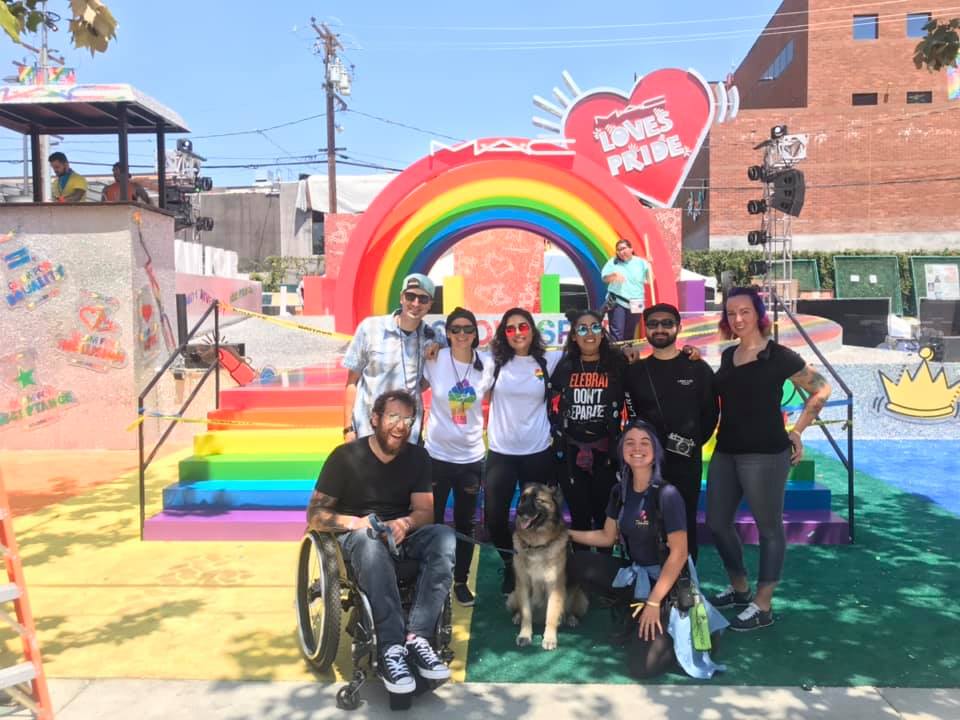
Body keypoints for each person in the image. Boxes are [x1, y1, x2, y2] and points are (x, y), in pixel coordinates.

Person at [306, 389, 456, 694]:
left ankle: (418, 638)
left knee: (444, 536)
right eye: (392, 417)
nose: (400, 425)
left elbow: (425, 512)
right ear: (375, 418)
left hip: (404, 536)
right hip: (359, 538)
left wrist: (406, 522)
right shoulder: (345, 457)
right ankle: (390, 649)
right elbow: (315, 514)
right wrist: (355, 523)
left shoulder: (418, 457)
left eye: (407, 418)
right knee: (369, 543)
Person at [706, 286, 832, 631]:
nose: (737, 319)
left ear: (758, 314)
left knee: (768, 529)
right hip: (726, 450)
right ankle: (741, 589)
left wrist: (798, 431)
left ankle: (763, 605)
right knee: (717, 523)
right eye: (731, 313)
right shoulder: (728, 356)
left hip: (766, 453)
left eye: (744, 311)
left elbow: (821, 388)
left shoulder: (780, 356)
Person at [569, 420, 727, 679]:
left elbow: (678, 554)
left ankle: (704, 629)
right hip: (636, 574)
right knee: (576, 563)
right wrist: (565, 534)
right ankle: (634, 610)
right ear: (621, 450)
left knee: (642, 668)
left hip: (670, 586)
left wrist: (654, 602)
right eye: (629, 442)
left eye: (645, 443)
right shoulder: (619, 491)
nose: (637, 448)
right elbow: (607, 537)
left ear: (655, 451)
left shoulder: (667, 494)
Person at [625, 303, 718, 562]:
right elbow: (630, 414)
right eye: (653, 324)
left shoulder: (697, 368)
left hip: (685, 462)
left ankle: (686, 582)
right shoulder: (634, 371)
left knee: (684, 520)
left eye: (667, 323)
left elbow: (710, 414)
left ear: (678, 327)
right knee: (646, 521)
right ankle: (648, 580)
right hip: (646, 463)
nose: (660, 328)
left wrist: (691, 444)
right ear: (646, 329)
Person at [485, 307, 565, 595]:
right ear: (503, 334)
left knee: (540, 515)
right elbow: (458, 356)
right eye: (510, 328)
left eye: (523, 326)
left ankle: (537, 568)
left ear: (532, 330)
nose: (517, 333)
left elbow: (591, 353)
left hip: (538, 452)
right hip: (500, 452)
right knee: (494, 517)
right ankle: (511, 563)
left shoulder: (549, 359)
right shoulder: (492, 361)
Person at [422, 307, 494, 607]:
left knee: (465, 524)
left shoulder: (487, 364)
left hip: (471, 458)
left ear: (475, 333)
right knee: (431, 521)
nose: (462, 335)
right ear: (447, 332)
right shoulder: (435, 359)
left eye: (467, 329)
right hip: (436, 455)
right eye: (455, 330)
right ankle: (429, 577)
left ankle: (460, 581)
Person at [550, 309, 625, 548]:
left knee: (604, 517)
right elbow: (549, 405)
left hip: (606, 454)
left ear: (602, 333)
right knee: (579, 517)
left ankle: (604, 575)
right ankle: (582, 575)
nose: (589, 333)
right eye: (582, 328)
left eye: (595, 327)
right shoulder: (565, 367)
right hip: (570, 455)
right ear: (573, 336)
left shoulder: (618, 364)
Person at [343, 273, 441, 444]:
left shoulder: (431, 337)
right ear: (402, 298)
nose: (416, 303)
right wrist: (348, 428)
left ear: (430, 304)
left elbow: (461, 340)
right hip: (369, 429)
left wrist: (436, 354)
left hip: (407, 433)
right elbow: (352, 382)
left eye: (423, 299)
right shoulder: (370, 328)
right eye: (410, 296)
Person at [601, 238, 651, 342]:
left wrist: (650, 266)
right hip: (618, 300)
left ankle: (627, 356)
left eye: (623, 248)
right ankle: (616, 356)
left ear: (631, 249)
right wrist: (613, 275)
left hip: (637, 302)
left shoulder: (641, 262)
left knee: (630, 332)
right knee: (617, 333)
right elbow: (604, 278)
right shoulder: (613, 262)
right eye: (618, 250)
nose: (621, 252)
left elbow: (650, 280)